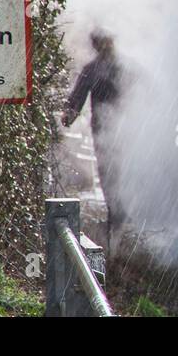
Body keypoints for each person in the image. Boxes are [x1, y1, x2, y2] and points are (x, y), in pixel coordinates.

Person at [62, 30, 127, 234]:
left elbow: (75, 101)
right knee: (124, 171)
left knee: (109, 172)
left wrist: (68, 117)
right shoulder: (126, 66)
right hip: (129, 131)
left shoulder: (92, 69)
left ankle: (117, 215)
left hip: (104, 131)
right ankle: (122, 215)